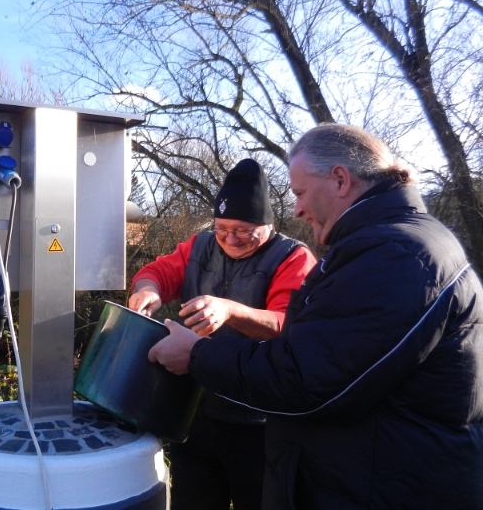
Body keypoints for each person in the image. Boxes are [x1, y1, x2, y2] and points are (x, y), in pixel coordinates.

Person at [148, 124, 483, 509]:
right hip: (367, 474)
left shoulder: (393, 254)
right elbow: (327, 356)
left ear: (341, 180)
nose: (298, 208)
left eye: (300, 193)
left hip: (384, 485)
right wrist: (148, 288)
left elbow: (308, 377)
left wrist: (197, 355)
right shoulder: (393, 244)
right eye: (222, 229)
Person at [128, 158, 316, 510]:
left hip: (258, 422)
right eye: (221, 228)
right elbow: (158, 271)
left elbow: (287, 325)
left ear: (267, 225)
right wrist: (148, 290)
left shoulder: (293, 258)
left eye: (243, 231)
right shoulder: (200, 246)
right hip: (195, 410)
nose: (230, 238)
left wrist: (229, 309)